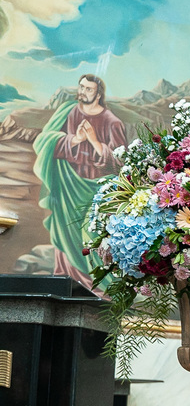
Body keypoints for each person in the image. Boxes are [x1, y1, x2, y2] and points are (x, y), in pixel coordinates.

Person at [34, 74, 127, 288]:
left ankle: (92, 284)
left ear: (99, 94)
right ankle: (65, 277)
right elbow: (44, 140)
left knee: (88, 236)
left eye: (88, 89)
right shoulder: (67, 111)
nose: (83, 92)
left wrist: (94, 141)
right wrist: (74, 139)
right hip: (67, 186)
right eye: (81, 87)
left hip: (95, 190)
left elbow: (120, 163)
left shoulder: (112, 122)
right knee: (65, 233)